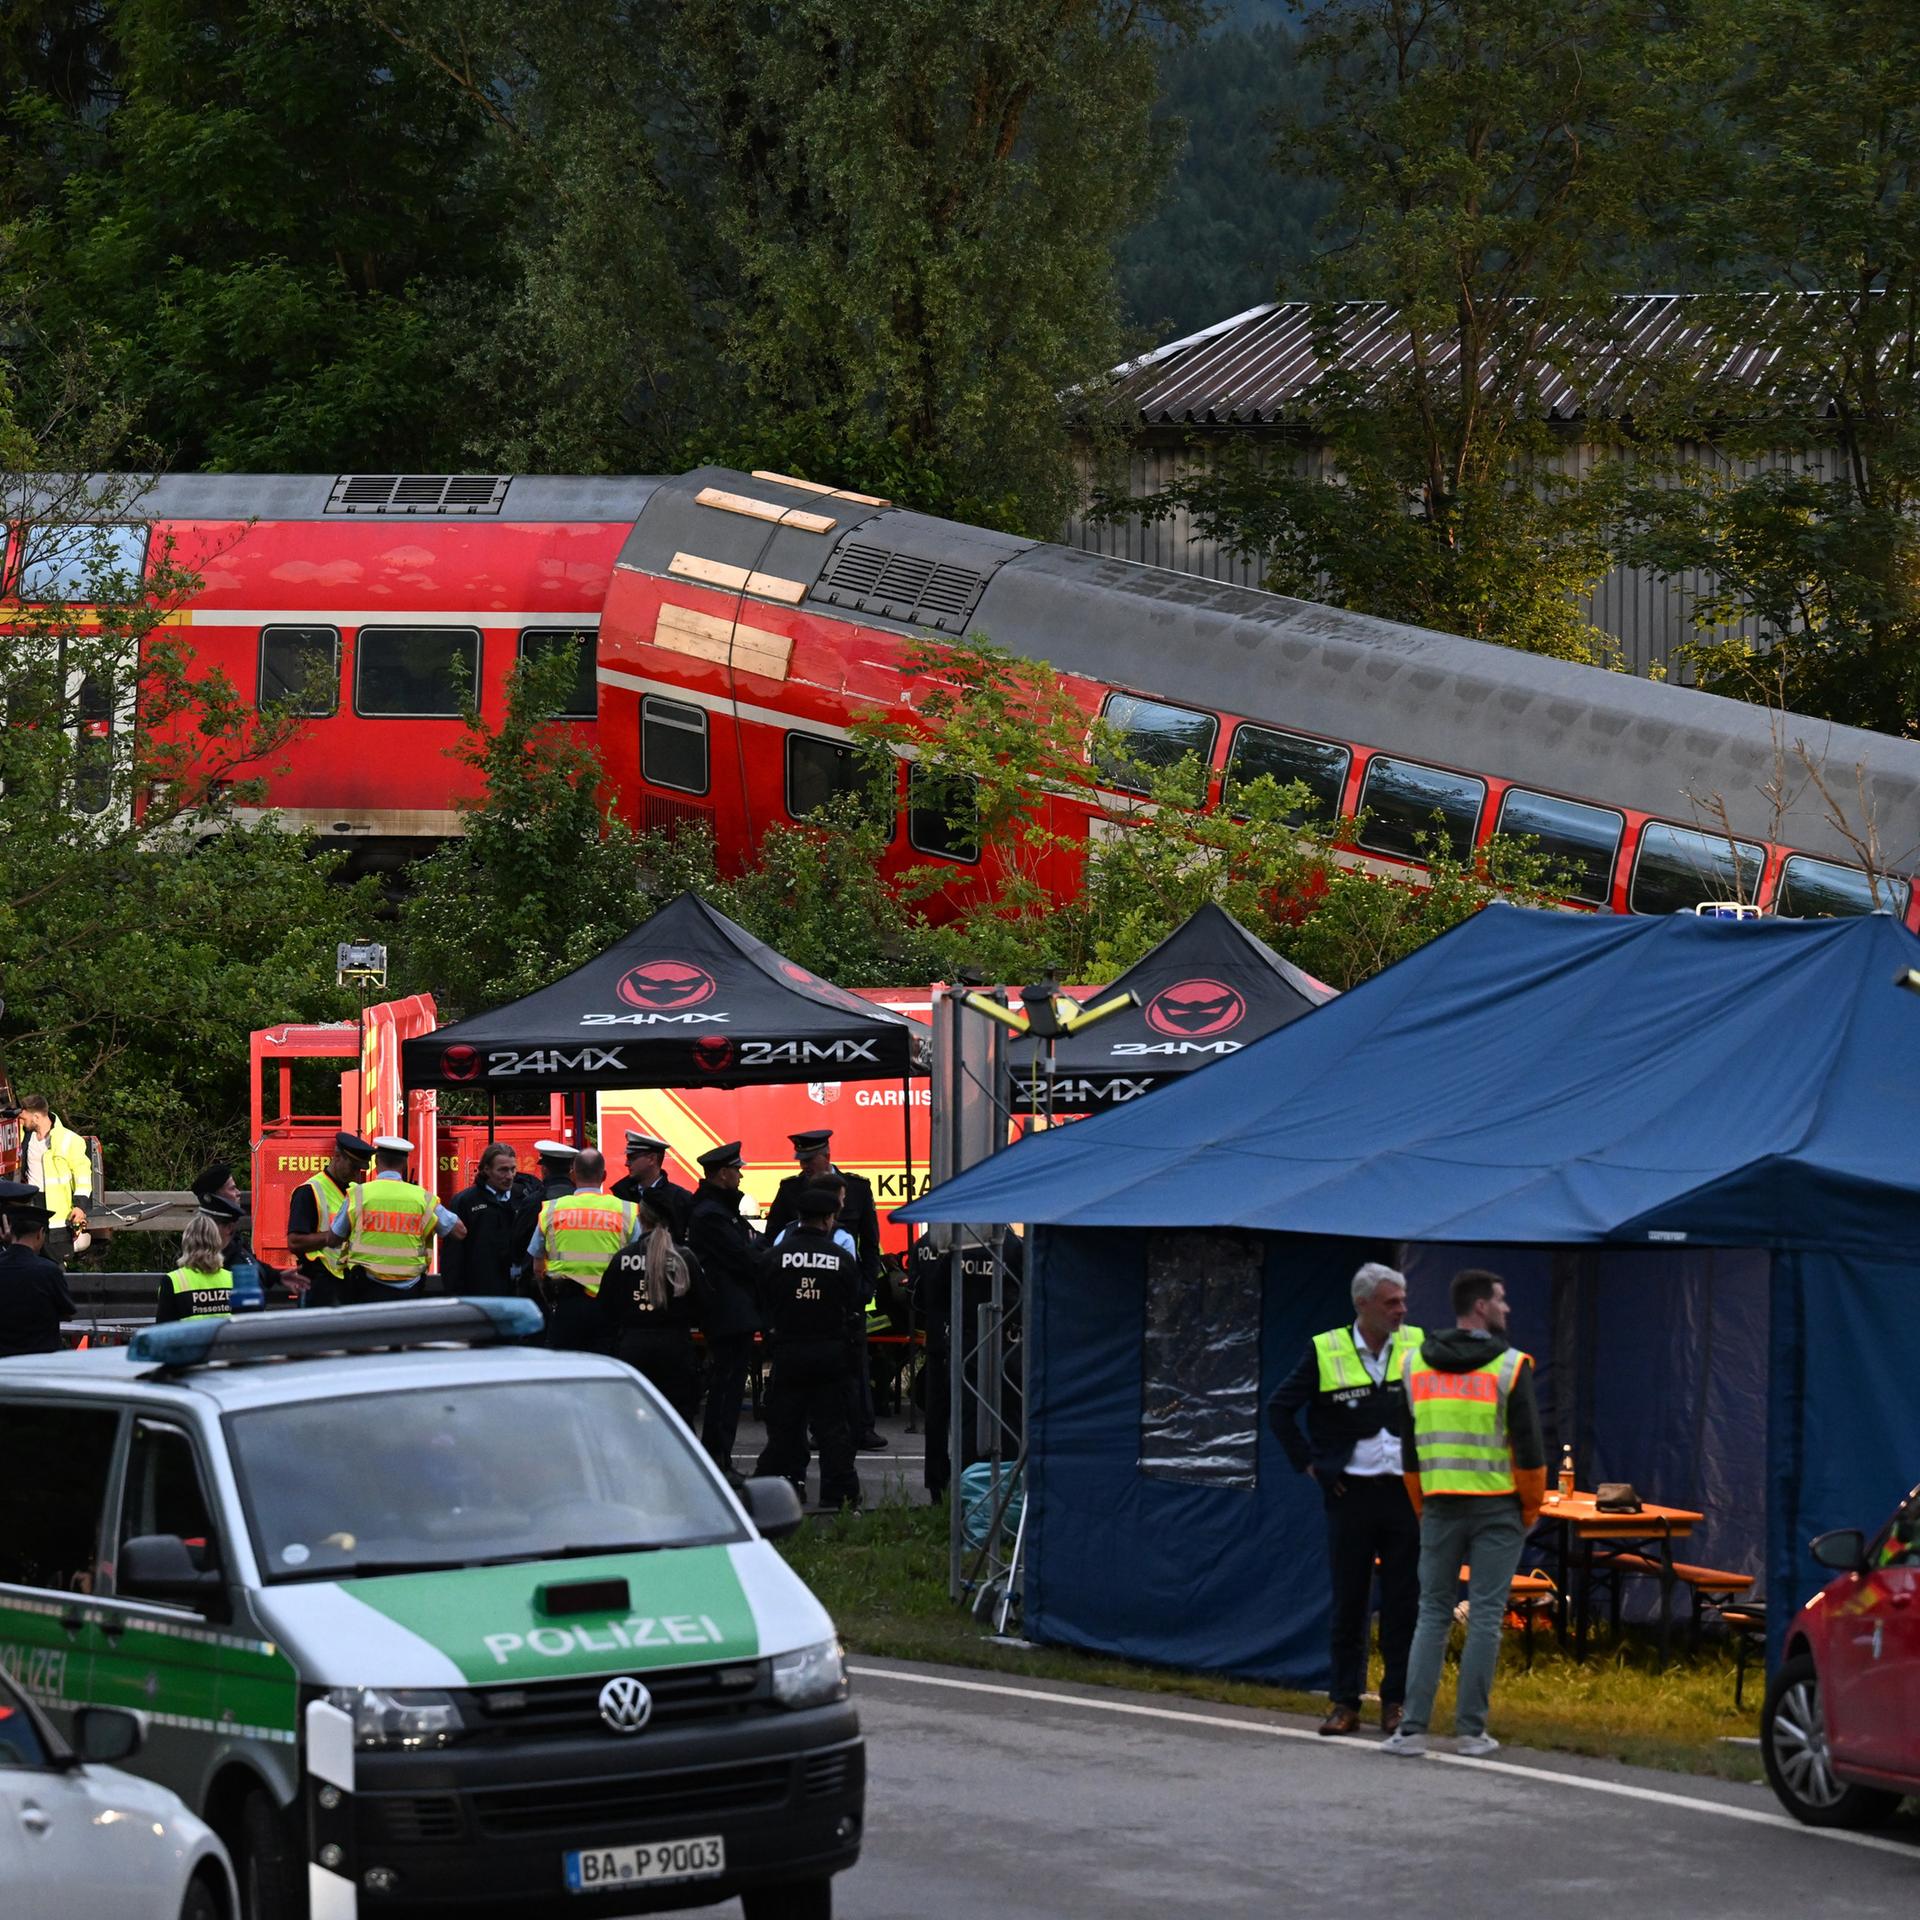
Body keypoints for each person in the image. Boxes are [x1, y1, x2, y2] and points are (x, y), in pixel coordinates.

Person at [1383, 1268, 1546, 1759]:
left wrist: (1423, 1503)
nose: (1506, 1308)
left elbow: (1408, 1449)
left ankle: (1411, 1731)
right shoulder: (1510, 1367)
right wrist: (1531, 1508)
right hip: (1497, 1508)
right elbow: (1530, 1452)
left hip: (1438, 1504)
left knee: (1430, 1614)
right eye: (1501, 1300)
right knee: (1486, 1617)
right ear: (1480, 1307)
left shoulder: (1414, 1365)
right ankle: (1471, 1733)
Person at [1268, 1261, 1425, 1737]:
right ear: (1363, 1305)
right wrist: (1311, 1465)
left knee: (1404, 1602)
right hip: (1350, 1492)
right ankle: (1344, 1703)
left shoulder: (1419, 1344)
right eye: (1390, 1302)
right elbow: (1279, 1408)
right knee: (1349, 1601)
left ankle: (1395, 1702)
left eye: (1402, 1300)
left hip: (1405, 1493)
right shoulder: (1326, 1348)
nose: (1401, 1309)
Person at [767, 1131, 885, 1449]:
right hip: (802, 1299)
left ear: (826, 1155)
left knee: (856, 1362)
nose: (804, 1165)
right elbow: (772, 1239)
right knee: (809, 1370)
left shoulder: (857, 1189)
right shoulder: (790, 1190)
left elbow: (871, 1244)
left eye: (809, 1159)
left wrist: (865, 1288)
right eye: (801, 1160)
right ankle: (812, 1431)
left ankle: (862, 1427)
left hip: (846, 1296)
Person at [754, 1182, 862, 1510]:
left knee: (785, 1427)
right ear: (829, 1219)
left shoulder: (774, 1257)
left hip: (788, 1352)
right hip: (830, 1353)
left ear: (799, 1217)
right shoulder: (841, 1258)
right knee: (833, 1429)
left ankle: (782, 1492)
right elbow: (853, 1304)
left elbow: (762, 1303)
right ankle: (838, 1495)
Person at [913, 1226, 1024, 1501]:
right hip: (1002, 1344)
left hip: (952, 1340)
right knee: (1006, 1418)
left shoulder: (942, 1244)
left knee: (953, 1417)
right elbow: (1025, 1293)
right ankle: (1000, 1491)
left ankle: (950, 1490)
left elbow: (928, 1296)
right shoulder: (1011, 1246)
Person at [686, 1141, 770, 1484]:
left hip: (731, 1309)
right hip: (726, 1311)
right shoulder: (711, 1213)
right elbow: (743, 1256)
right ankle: (718, 1459)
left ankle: (720, 1457)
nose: (739, 1175)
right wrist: (759, 1249)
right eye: (736, 1170)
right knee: (726, 1389)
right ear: (722, 1174)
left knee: (730, 1386)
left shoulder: (718, 1210)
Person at [599, 1189, 704, 1425]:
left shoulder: (623, 1257)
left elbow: (606, 1306)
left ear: (641, 1218)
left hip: (632, 1347)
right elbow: (704, 1304)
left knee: (631, 1420)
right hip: (676, 1348)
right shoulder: (683, 1258)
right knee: (678, 1421)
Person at [326, 1135, 466, 1303]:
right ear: (405, 1164)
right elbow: (460, 1232)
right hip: (410, 1290)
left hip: (366, 1289)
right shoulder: (423, 1198)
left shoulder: (358, 1194)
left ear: (376, 1162)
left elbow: (333, 1239)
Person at [530, 1149, 639, 1352]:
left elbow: (537, 1266)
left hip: (565, 1305)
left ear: (573, 1174)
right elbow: (639, 1260)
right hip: (610, 1308)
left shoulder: (552, 1209)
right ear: (604, 1176)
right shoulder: (627, 1210)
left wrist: (551, 1301)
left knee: (565, 1369)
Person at [284, 1132, 372, 1308]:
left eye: (360, 1170)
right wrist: (329, 1237)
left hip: (351, 1281)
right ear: (337, 1156)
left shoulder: (356, 1191)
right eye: (353, 1167)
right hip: (320, 1283)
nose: (356, 1174)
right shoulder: (309, 1191)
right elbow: (294, 1242)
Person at [441, 1142, 527, 1296]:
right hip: (479, 1292)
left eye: (512, 1169)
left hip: (516, 1291)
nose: (509, 1176)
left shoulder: (523, 1198)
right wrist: (455, 1293)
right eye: (502, 1170)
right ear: (486, 1169)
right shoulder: (465, 1201)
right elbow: (453, 1254)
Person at [16, 1096, 92, 1261]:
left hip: (59, 1218)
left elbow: (83, 1176)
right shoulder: (24, 1137)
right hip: (32, 1209)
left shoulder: (70, 1140)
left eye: (23, 1118)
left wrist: (80, 1207)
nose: (21, 1122)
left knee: (55, 1265)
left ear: (36, 1117)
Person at [0, 1196, 72, 1356]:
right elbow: (67, 1312)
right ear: (40, 1234)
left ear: (11, 1232)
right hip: (40, 1360)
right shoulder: (48, 1270)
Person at [156, 1203, 240, 1323]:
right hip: (224, 1342)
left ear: (186, 1242)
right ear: (216, 1243)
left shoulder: (172, 1281)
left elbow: (162, 1333)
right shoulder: (233, 1280)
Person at [611, 1132, 691, 1241]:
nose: (626, 1163)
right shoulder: (620, 1195)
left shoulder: (681, 1199)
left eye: (632, 1157)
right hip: (629, 1258)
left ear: (652, 1159)